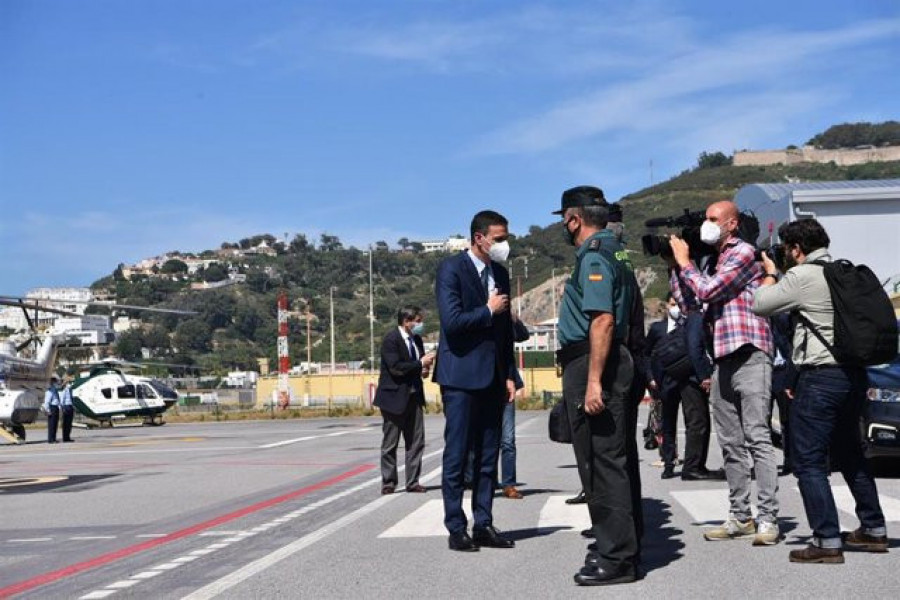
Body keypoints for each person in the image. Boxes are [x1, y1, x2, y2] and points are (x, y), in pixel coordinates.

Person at [753, 218, 887, 563]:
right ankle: (873, 530)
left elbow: (761, 304)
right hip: (854, 375)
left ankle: (826, 540)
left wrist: (770, 272)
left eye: (786, 248)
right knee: (850, 454)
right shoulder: (845, 271)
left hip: (820, 377)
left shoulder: (804, 275)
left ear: (796, 248)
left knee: (809, 460)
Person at [669, 199, 779, 546]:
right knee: (730, 443)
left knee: (757, 438)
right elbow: (691, 306)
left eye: (714, 219)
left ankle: (768, 518)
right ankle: (740, 515)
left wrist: (686, 263)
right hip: (722, 358)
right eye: (705, 219)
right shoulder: (711, 260)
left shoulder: (743, 252)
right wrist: (677, 268)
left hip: (750, 353)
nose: (708, 224)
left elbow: (710, 290)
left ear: (732, 224)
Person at [554, 185, 638, 586]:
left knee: (601, 463)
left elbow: (601, 320)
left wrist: (592, 382)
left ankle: (617, 558)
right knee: (605, 461)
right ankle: (613, 546)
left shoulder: (595, 255)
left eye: (564, 221)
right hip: (599, 358)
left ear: (574, 218)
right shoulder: (616, 249)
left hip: (593, 360)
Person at [434, 210, 521, 552]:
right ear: (479, 238)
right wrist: (487, 309)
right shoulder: (451, 269)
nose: (504, 245)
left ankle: (483, 522)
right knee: (458, 454)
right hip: (460, 377)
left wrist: (510, 375)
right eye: (499, 239)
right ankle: (456, 527)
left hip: (493, 378)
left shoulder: (500, 271)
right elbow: (452, 322)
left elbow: (504, 334)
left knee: (488, 455)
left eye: (505, 238)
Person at [646, 294, 720, 481]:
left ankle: (694, 464)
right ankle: (670, 462)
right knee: (669, 422)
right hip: (668, 380)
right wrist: (651, 378)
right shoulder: (658, 328)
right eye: (672, 304)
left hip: (689, 379)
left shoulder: (691, 323)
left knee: (696, 420)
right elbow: (647, 354)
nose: (676, 308)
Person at [373, 305, 435, 495]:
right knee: (390, 443)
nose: (420, 325)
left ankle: (413, 481)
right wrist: (419, 363)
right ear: (406, 321)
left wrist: (423, 370)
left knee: (416, 442)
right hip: (393, 398)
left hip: (414, 396)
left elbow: (415, 367)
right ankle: (389, 481)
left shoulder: (416, 340)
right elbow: (396, 368)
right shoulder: (391, 340)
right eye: (417, 321)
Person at [498, 314, 530, 499]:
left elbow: (523, 335)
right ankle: (485, 480)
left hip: (506, 385)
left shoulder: (505, 322)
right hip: (486, 384)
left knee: (508, 439)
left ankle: (509, 484)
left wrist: (515, 318)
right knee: (486, 439)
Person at [43, 375, 62, 444]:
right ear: (51, 382)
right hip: (52, 408)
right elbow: (47, 402)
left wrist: (59, 408)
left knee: (55, 424)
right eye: (54, 381)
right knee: (52, 425)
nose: (56, 382)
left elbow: (57, 399)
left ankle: (54, 438)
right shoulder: (50, 391)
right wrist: (47, 411)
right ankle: (51, 439)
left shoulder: (54, 389)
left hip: (55, 407)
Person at [61, 378, 75, 443]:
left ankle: (68, 437)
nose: (70, 384)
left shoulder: (71, 390)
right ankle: (65, 438)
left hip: (71, 406)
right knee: (65, 424)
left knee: (69, 424)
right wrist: (63, 408)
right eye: (69, 382)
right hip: (66, 407)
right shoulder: (65, 391)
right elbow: (62, 400)